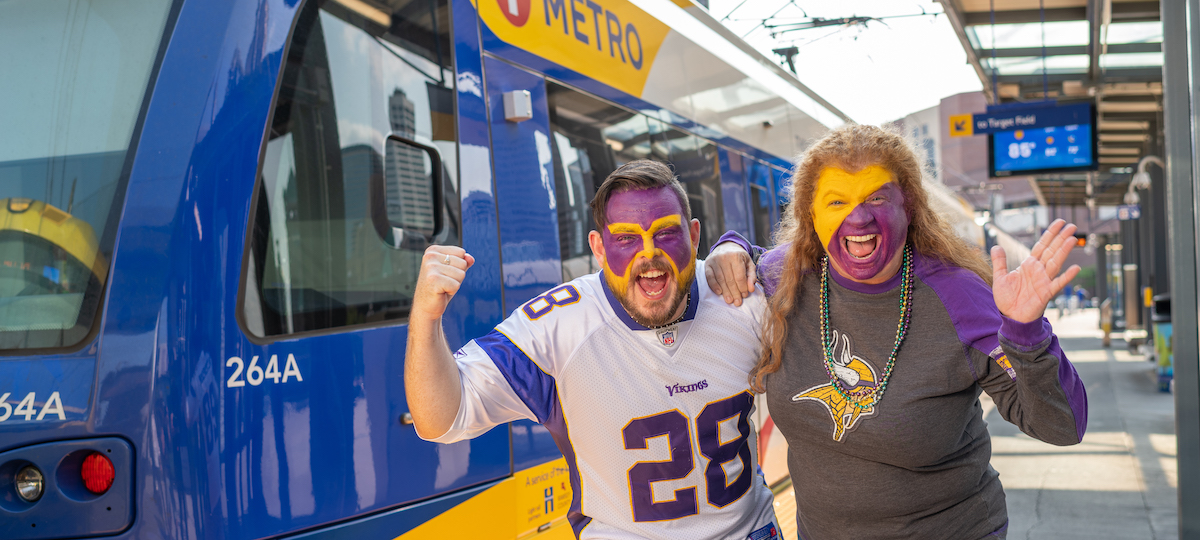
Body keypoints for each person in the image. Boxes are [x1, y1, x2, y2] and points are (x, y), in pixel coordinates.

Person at [705, 125, 1088, 540]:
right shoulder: (785, 278)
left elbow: (1062, 426)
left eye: (876, 198)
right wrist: (730, 246)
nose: (858, 217)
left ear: (909, 206)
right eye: (837, 201)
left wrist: (1027, 334)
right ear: (811, 215)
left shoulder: (959, 296)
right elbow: (746, 261)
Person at [405, 160, 781, 540]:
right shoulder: (559, 326)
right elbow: (441, 419)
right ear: (599, 249)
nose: (648, 254)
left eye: (666, 233)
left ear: (694, 236)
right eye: (626, 238)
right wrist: (425, 316)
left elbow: (822, 276)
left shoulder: (736, 293)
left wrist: (747, 249)